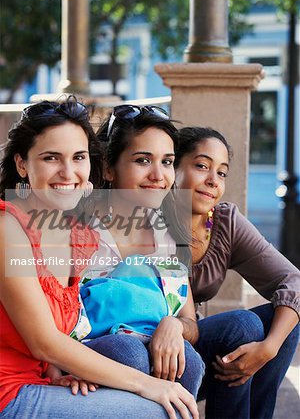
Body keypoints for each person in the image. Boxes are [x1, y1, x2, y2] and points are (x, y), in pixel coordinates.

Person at [0, 98, 199, 419]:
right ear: (23, 165)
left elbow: (52, 338)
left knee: (182, 379)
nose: (68, 172)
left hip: (39, 381)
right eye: (51, 158)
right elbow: (43, 341)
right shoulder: (7, 227)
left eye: (78, 157)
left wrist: (57, 372)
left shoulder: (70, 233)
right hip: (8, 392)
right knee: (161, 409)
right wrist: (145, 384)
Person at [72, 104, 204, 399]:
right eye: (143, 160)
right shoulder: (77, 229)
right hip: (88, 351)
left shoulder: (169, 233)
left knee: (190, 361)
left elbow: (191, 324)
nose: (159, 175)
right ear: (108, 167)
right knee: (128, 350)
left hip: (151, 340)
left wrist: (173, 325)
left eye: (167, 162)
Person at [173, 126, 300, 419]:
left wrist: (268, 348)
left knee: (284, 320)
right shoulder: (153, 218)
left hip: (199, 348)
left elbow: (292, 281)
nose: (212, 181)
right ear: (173, 167)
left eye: (221, 173)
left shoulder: (222, 221)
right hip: (161, 351)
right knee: (242, 326)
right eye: (202, 166)